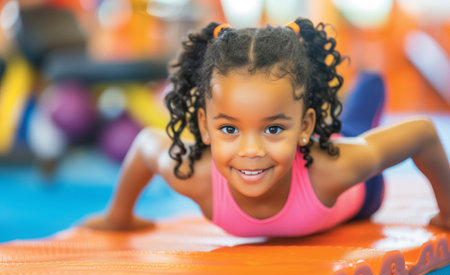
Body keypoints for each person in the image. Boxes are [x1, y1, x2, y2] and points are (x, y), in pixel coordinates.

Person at [84, 18, 450, 237]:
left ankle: (371, 80)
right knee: (349, 119)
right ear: (204, 126)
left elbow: (423, 133)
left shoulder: (333, 168)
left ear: (305, 126)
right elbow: (147, 144)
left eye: (272, 129)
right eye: (229, 129)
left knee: (355, 122)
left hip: (360, 193)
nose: (251, 150)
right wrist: (119, 217)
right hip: (310, 139)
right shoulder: (194, 174)